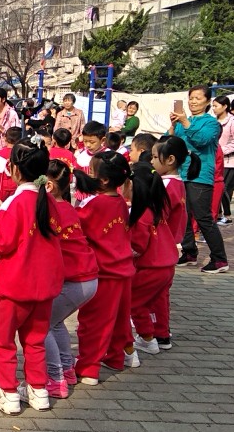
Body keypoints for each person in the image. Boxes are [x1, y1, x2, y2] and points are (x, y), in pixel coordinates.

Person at [0, 140, 63, 415]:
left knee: (3, 341)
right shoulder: (48, 200)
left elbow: (1, 243)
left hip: (15, 286)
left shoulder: (14, 203)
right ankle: (39, 390)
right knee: (35, 340)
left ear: (15, 170)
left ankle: (9, 393)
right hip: (45, 285)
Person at [73, 151, 134, 384]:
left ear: (104, 179)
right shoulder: (120, 202)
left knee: (93, 322)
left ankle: (89, 368)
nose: (88, 175)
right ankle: (115, 357)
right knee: (118, 319)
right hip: (123, 270)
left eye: (91, 172)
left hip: (104, 272)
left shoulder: (95, 203)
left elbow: (75, 225)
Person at [43, 159, 98, 398]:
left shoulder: (51, 211)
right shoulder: (68, 207)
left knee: (41, 325)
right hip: (88, 278)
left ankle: (55, 378)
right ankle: (67, 370)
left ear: (48, 186)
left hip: (76, 280)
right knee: (55, 323)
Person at [171, 86, 229, 274]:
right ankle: (189, 252)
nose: (193, 101)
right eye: (191, 98)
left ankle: (219, 259)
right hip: (182, 173)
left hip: (200, 175)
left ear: (207, 102)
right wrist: (173, 125)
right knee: (184, 215)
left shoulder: (211, 123)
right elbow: (169, 142)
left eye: (197, 98)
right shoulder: (182, 121)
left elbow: (202, 140)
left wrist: (185, 122)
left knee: (203, 217)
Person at [127, 162, 176, 359]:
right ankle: (160, 334)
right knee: (156, 302)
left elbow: (138, 246)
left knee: (134, 303)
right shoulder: (156, 208)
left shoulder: (141, 214)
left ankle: (147, 338)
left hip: (150, 268)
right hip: (166, 266)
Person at [151, 136, 195, 350]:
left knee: (148, 294)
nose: (151, 161)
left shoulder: (166, 185)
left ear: (169, 160)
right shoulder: (177, 183)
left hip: (159, 246)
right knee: (160, 294)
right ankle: (161, 332)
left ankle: (153, 333)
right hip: (170, 247)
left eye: (154, 157)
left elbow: (156, 216)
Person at [212, 95, 234, 225]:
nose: (214, 108)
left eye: (216, 106)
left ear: (225, 106)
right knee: (215, 187)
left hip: (229, 160)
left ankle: (227, 215)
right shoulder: (213, 120)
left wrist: (222, 150)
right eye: (213, 106)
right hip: (215, 158)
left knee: (223, 188)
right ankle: (218, 214)